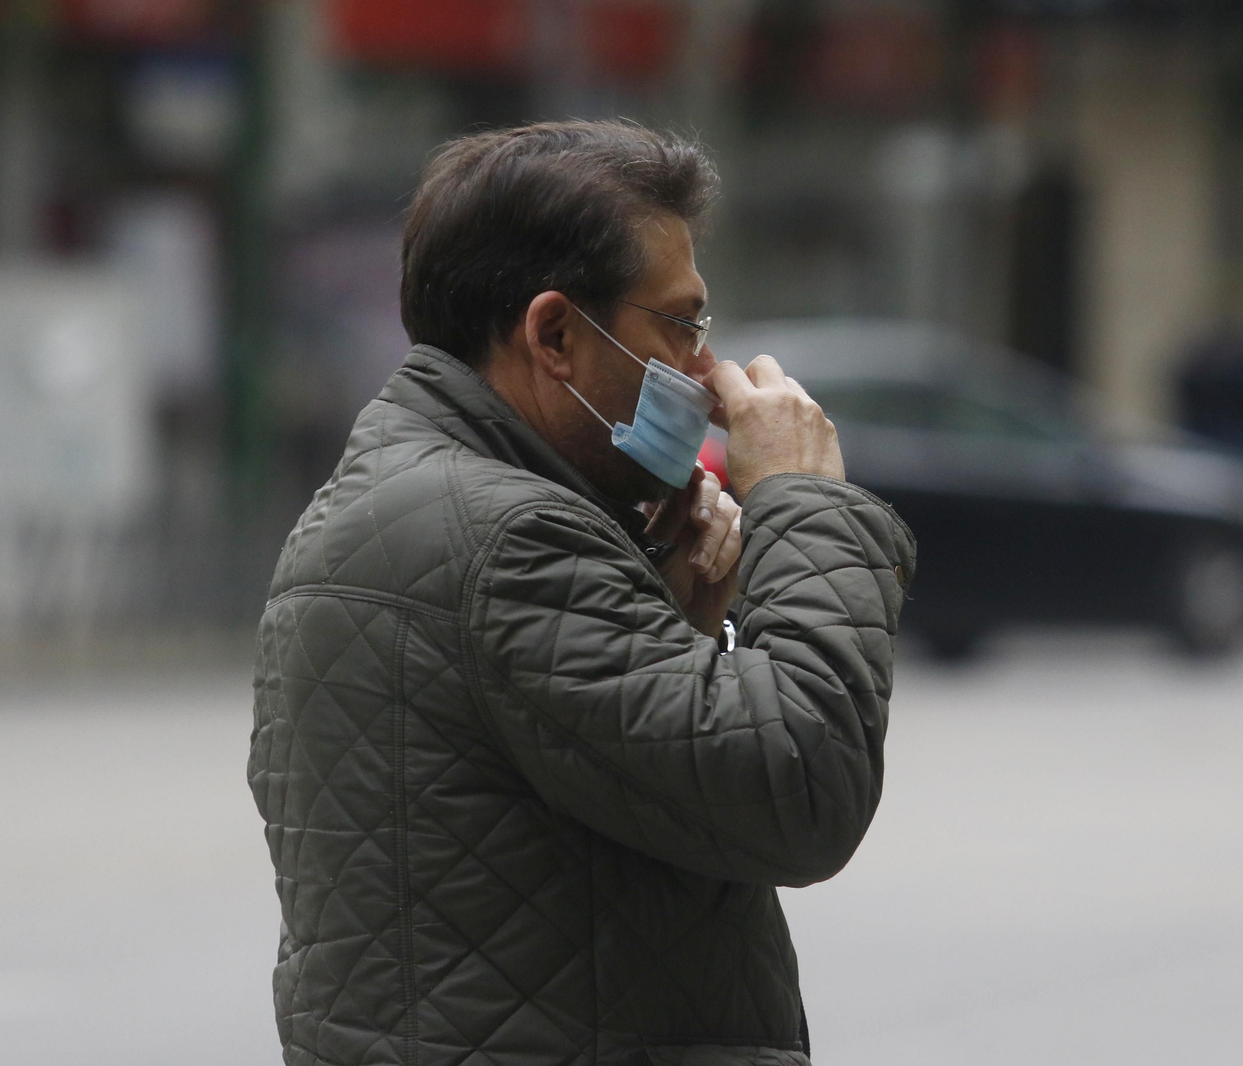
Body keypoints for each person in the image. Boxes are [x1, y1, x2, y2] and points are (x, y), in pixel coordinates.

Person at [248, 120, 917, 1066]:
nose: (706, 373)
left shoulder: (408, 504)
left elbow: (549, 836)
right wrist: (804, 501)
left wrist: (663, 611)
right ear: (555, 333)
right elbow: (802, 784)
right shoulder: (506, 539)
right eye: (681, 324)